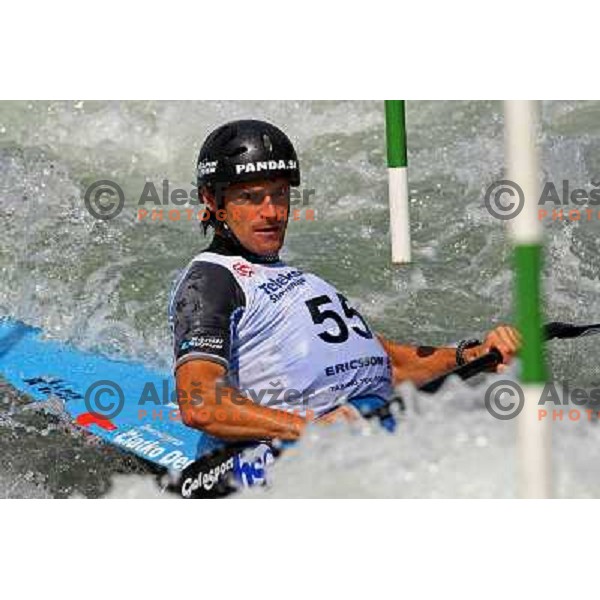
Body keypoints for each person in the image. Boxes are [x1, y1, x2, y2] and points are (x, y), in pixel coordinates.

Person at [169, 119, 521, 444]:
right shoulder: (211, 280)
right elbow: (200, 404)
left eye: (279, 194)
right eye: (251, 198)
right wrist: (313, 432)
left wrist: (474, 354)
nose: (272, 212)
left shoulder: (299, 280)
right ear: (213, 201)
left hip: (374, 427)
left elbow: (394, 365)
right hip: (302, 452)